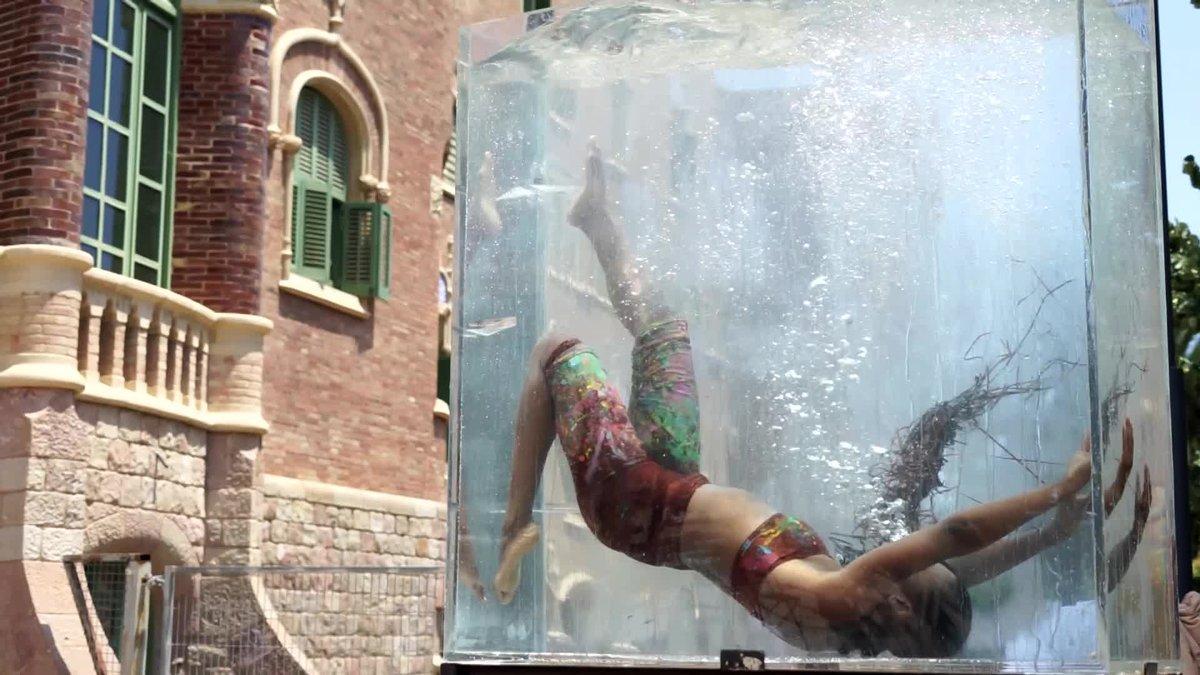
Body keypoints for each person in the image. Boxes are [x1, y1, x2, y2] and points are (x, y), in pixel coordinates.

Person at [490, 142, 1153, 656]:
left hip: (631, 497)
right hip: (673, 475)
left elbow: (953, 535)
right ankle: (598, 223)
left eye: (911, 570)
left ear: (898, 606)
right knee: (664, 326)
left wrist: (1055, 489)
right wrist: (1055, 531)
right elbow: (965, 564)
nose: (910, 555)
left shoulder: (837, 596)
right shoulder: (869, 610)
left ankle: (514, 522)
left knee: (556, 351)